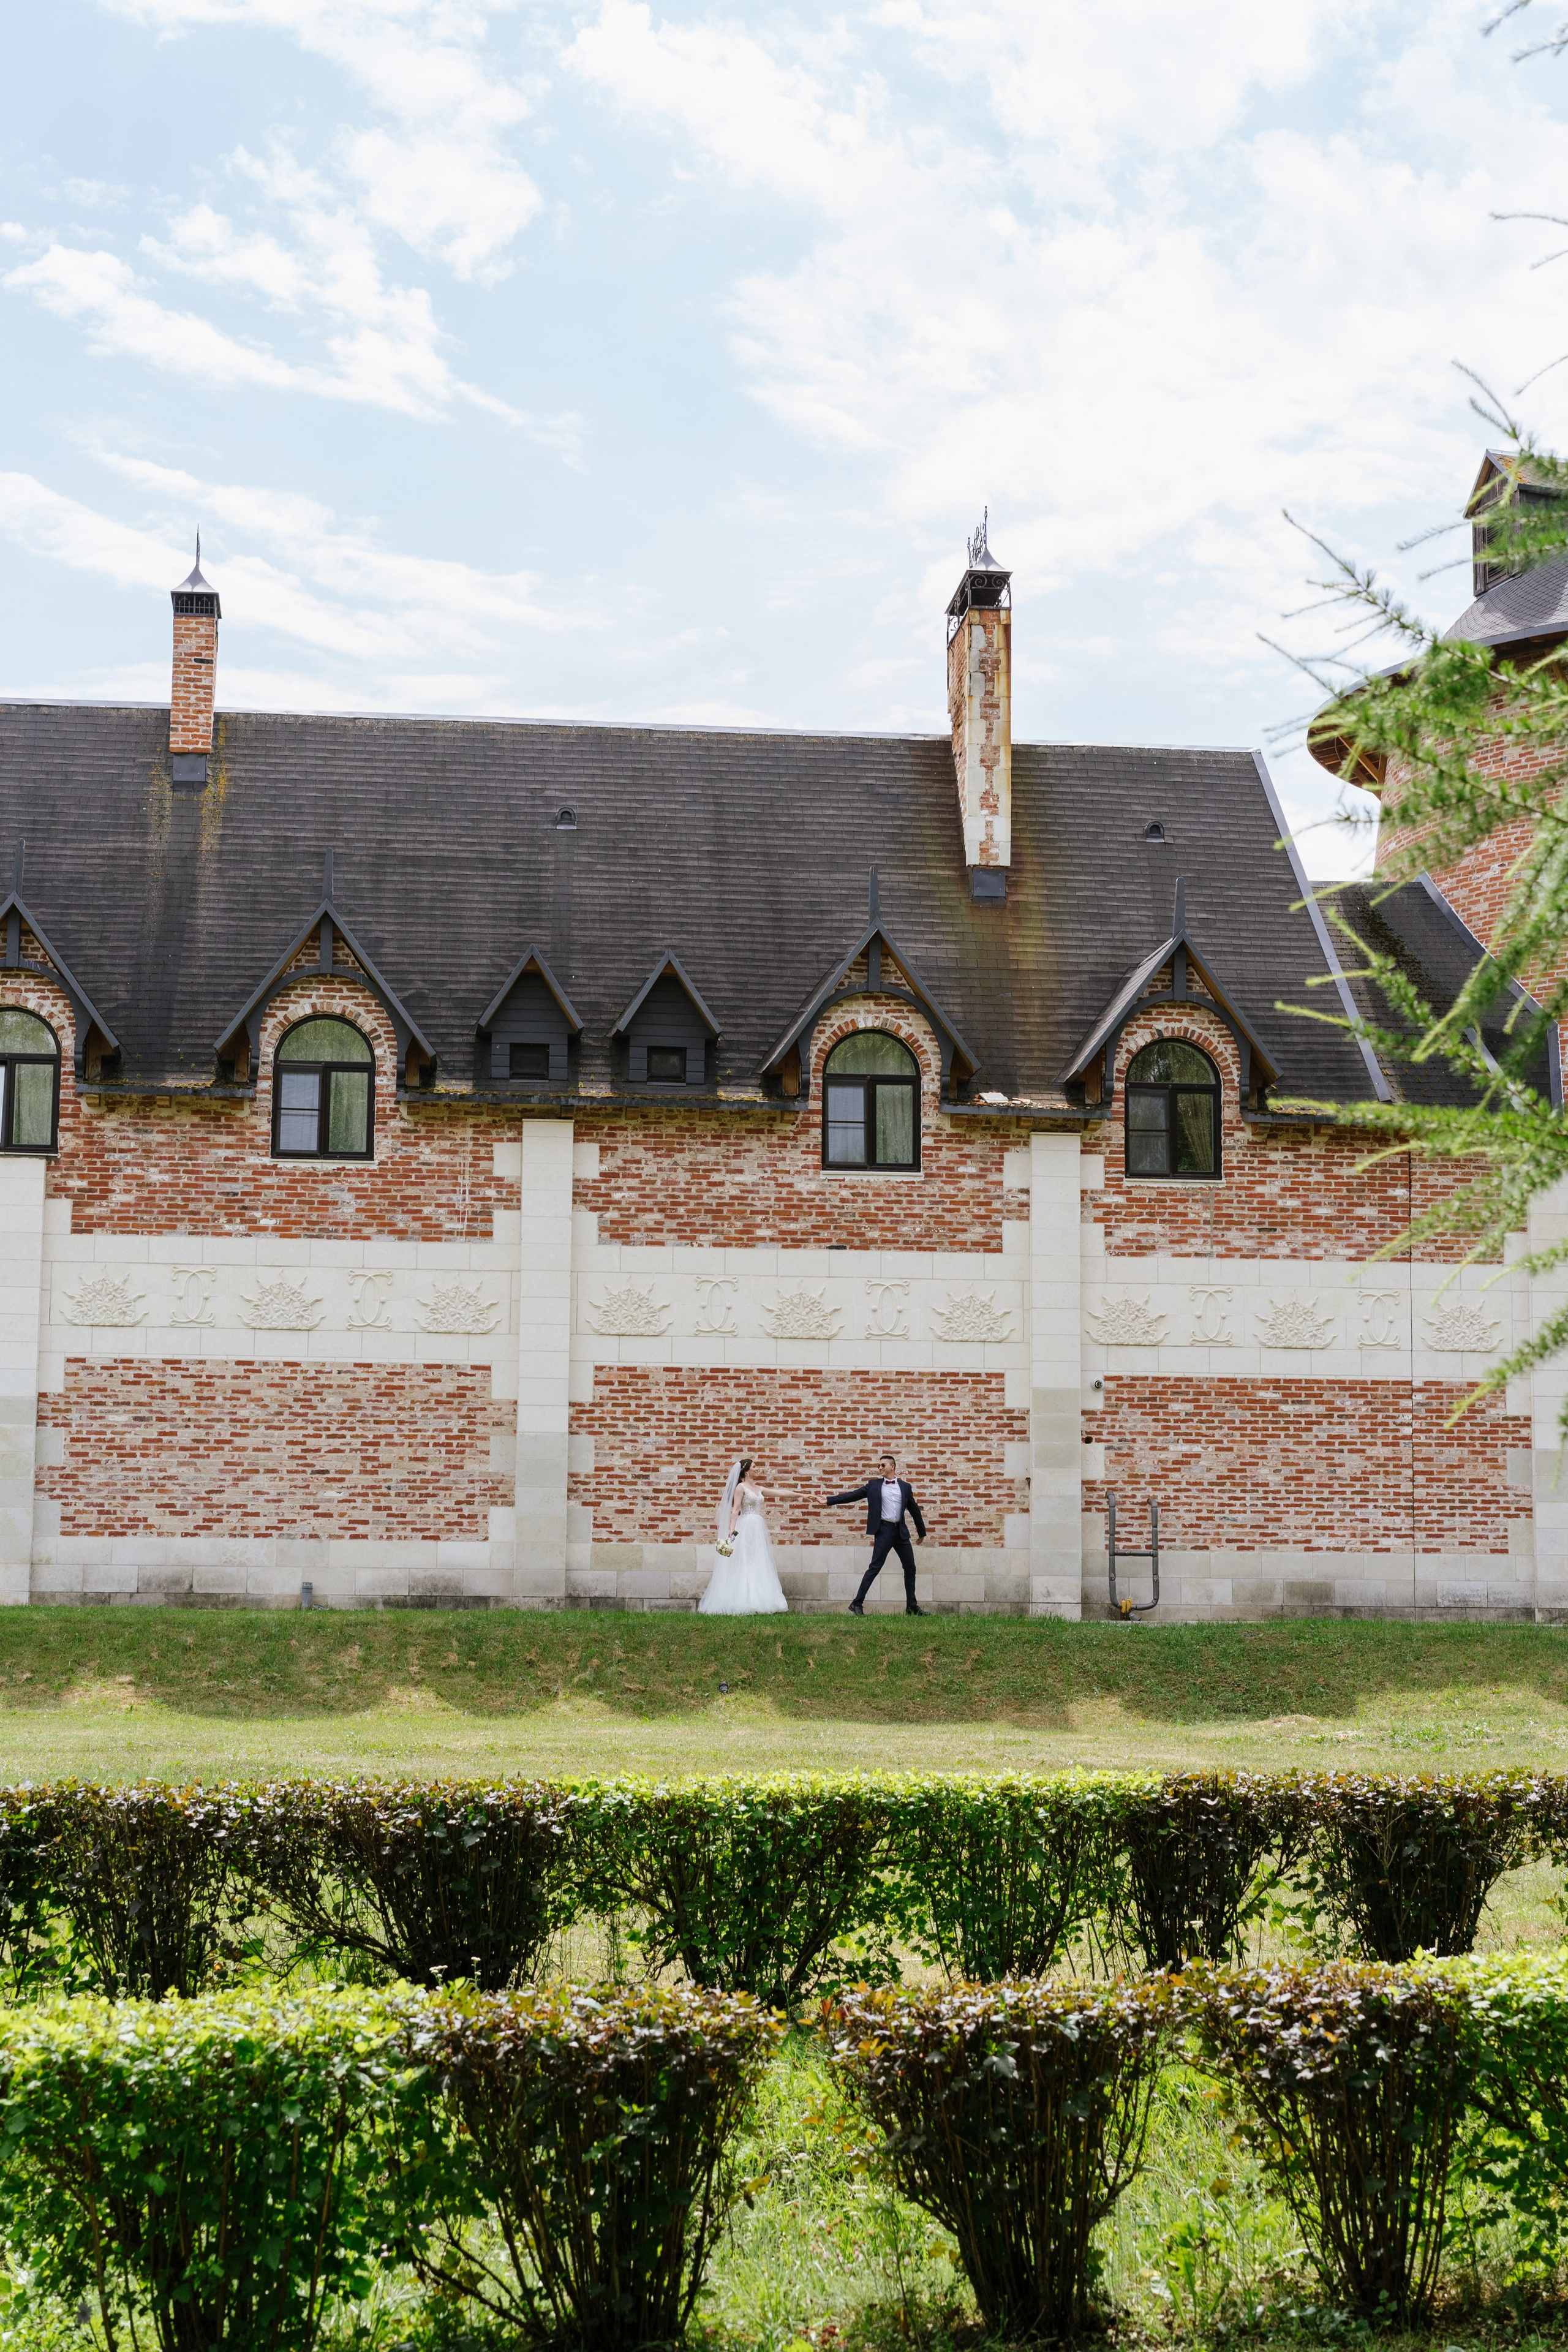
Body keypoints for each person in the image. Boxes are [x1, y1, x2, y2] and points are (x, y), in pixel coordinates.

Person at [826, 1453, 927, 1615]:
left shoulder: (905, 1487)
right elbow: (852, 1496)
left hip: (901, 1532)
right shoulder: (873, 1486)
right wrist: (828, 1500)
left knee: (910, 1568)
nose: (879, 1468)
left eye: (883, 1465)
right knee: (875, 1567)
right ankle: (857, 1603)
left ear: (892, 1467)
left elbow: (914, 1509)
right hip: (884, 1531)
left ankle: (912, 1607)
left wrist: (921, 1531)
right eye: (878, 1466)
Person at [699, 1455, 788, 1615]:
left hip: (757, 1527)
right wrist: (732, 1529)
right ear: (747, 1472)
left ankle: (762, 1599)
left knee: (758, 1559)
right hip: (746, 1526)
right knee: (746, 1560)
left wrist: (803, 1496)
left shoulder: (759, 1489)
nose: (757, 1469)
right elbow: (736, 1509)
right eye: (754, 1467)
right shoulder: (740, 1488)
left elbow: (780, 1492)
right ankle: (743, 1600)